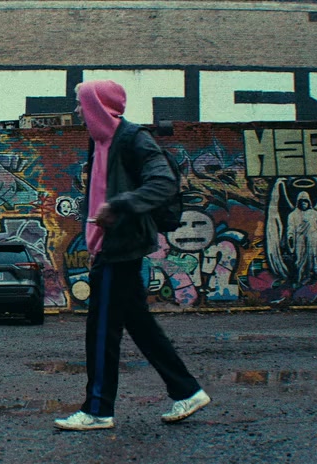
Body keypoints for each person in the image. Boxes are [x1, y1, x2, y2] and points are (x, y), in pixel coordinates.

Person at [53, 79, 210, 432]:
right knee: (139, 324)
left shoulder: (133, 138)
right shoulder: (100, 142)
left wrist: (121, 205)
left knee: (101, 331)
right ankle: (187, 391)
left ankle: (98, 410)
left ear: (97, 106)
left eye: (80, 103)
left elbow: (164, 182)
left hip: (121, 248)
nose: (77, 111)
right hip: (108, 247)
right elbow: (99, 192)